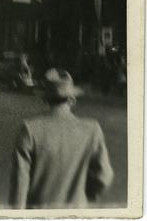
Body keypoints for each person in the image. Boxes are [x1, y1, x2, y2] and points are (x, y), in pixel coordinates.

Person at [9, 68, 114, 209]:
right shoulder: (92, 129)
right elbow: (104, 177)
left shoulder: (30, 129)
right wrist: (84, 197)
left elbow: (19, 184)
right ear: (72, 99)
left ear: (45, 99)